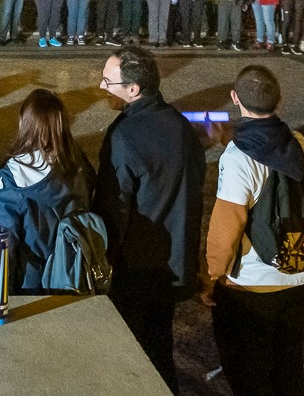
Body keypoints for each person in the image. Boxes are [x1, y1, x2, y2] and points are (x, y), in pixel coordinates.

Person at [95, 45, 206, 393]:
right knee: (160, 348)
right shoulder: (181, 125)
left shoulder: (124, 135)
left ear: (133, 89)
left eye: (107, 81)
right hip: (174, 262)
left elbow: (114, 207)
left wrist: (103, 260)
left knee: (129, 355)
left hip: (136, 268)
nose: (101, 87)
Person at [201, 65, 304, 396]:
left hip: (253, 285)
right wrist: (229, 139)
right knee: (288, 367)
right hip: (300, 275)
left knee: (250, 375)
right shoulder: (300, 143)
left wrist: (211, 276)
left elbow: (228, 227)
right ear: (279, 101)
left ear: (234, 97)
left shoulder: (238, 158)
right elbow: (268, 155)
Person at [0, 89, 96, 293]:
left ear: (24, 123)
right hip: (72, 275)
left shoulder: (13, 178)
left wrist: (0, 296)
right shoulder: (79, 167)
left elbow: (3, 244)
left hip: (31, 283)